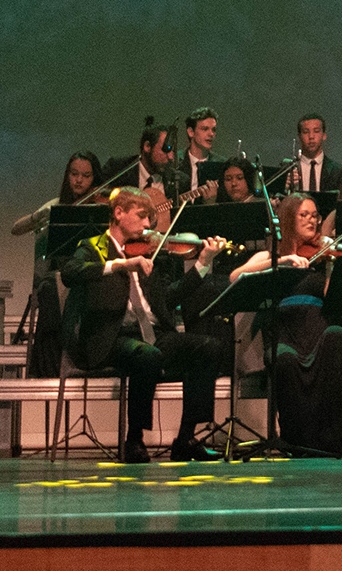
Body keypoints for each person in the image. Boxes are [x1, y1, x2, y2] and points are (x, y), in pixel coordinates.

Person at [58, 187, 230, 462]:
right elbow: (70, 273)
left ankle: (186, 438)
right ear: (118, 213)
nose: (148, 224)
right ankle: (134, 440)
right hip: (111, 336)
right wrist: (119, 265)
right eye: (141, 216)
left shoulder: (146, 251)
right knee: (146, 356)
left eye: (149, 218)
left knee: (209, 346)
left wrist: (202, 263)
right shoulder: (92, 247)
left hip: (151, 333)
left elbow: (167, 298)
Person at [230, 194, 342, 456]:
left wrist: (334, 266)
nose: (311, 220)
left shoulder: (322, 254)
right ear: (288, 219)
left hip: (317, 326)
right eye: (303, 215)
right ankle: (296, 439)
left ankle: (329, 439)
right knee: (284, 358)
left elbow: (331, 297)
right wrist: (282, 261)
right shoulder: (270, 254)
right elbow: (235, 276)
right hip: (284, 331)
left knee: (336, 334)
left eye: (315, 215)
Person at [10, 151, 102, 376]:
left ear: (95, 178)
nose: (78, 180)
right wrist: (40, 215)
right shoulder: (58, 205)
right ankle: (49, 369)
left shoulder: (100, 207)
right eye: (74, 174)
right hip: (60, 278)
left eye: (86, 176)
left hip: (89, 275)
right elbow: (16, 229)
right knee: (50, 289)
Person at [112, 122, 174, 194]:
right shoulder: (118, 170)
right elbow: (102, 194)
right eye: (165, 150)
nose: (171, 157)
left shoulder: (177, 180)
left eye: (172, 150)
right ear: (147, 146)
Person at [173, 108, 220, 203]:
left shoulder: (220, 165)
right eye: (205, 129)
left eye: (214, 130)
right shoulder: (175, 161)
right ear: (191, 132)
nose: (211, 134)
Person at [290, 115, 338, 194]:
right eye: (306, 132)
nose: (311, 136)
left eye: (316, 131)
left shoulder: (336, 171)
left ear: (324, 135)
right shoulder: (289, 170)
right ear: (299, 136)